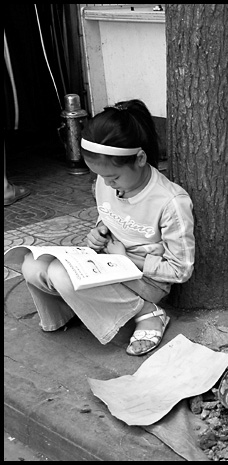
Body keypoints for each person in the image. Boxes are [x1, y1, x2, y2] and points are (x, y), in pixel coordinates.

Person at [20, 99, 195, 356]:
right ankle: (69, 311)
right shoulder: (105, 182)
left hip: (145, 280)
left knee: (60, 274)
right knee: (31, 265)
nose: (107, 184)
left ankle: (147, 312)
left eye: (113, 177)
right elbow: (109, 217)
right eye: (99, 176)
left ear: (140, 158)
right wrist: (99, 233)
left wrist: (127, 260)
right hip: (107, 264)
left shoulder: (171, 202)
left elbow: (181, 270)